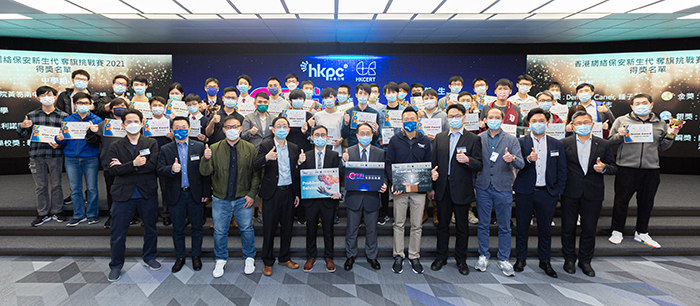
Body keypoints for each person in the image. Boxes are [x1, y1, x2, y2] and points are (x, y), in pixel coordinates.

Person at [608, 93, 680, 249]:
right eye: (637, 103)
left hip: (650, 169)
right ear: (632, 106)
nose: (641, 105)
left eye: (644, 102)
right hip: (626, 168)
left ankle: (641, 232)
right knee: (621, 201)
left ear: (651, 105)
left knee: (646, 202)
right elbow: (609, 141)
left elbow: (662, 146)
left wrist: (671, 136)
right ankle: (617, 231)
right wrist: (619, 135)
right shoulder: (621, 120)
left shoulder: (660, 123)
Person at [200, 115, 261, 277]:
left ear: (241, 128)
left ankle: (249, 256)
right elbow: (205, 173)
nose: (232, 130)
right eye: (228, 127)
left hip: (243, 198)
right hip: (221, 198)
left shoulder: (250, 148)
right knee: (220, 231)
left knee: (247, 229)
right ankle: (220, 259)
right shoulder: (213, 148)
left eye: (235, 127)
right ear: (224, 129)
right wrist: (206, 160)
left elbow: (256, 175)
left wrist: (251, 195)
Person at [106, 109, 160, 282]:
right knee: (118, 232)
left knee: (150, 228)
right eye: (128, 121)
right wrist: (134, 164)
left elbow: (152, 166)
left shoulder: (151, 143)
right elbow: (112, 170)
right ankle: (115, 265)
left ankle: (149, 257)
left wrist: (126, 167)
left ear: (142, 123)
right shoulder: (114, 145)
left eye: (135, 121)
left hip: (147, 192)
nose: (132, 124)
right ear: (123, 125)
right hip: (123, 193)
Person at [512, 108, 567, 278]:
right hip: (524, 191)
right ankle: (520, 259)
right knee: (522, 227)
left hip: (547, 193)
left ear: (547, 123)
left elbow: (562, 169)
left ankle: (545, 261)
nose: (538, 124)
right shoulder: (520, 142)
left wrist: (558, 191)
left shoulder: (556, 143)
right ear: (529, 124)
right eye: (534, 121)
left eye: (541, 120)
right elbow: (514, 165)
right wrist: (528, 160)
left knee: (545, 229)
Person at [562, 110, 618, 277]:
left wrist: (604, 168)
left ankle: (585, 261)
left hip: (593, 193)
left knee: (589, 229)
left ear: (593, 125)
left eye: (586, 122)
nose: (583, 126)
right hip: (570, 192)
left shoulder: (603, 144)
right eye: (578, 123)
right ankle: (569, 259)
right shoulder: (563, 143)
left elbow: (614, 167)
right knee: (568, 228)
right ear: (572, 126)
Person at [429, 104, 482, 275]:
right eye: (451, 116)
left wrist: (467, 160)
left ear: (464, 117)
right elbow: (433, 163)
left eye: (457, 115)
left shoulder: (474, 139)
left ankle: (461, 260)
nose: (454, 118)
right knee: (442, 226)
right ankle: (441, 257)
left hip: (462, 189)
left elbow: (479, 164)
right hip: (443, 189)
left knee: (462, 228)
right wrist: (433, 179)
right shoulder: (440, 137)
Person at [474, 107, 524, 277]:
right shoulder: (478, 139)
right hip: (483, 187)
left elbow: (522, 164)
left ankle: (504, 258)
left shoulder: (511, 139)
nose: (494, 119)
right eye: (490, 117)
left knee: (504, 226)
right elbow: (474, 164)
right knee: (483, 224)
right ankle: (483, 255)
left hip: (503, 187)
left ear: (502, 119)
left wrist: (513, 159)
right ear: (485, 120)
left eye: (497, 117)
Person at [157, 116, 210, 273]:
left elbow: (205, 173)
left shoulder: (199, 147)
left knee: (197, 228)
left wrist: (206, 193)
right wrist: (171, 170)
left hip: (196, 194)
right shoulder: (166, 149)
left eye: (183, 127)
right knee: (178, 229)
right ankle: (180, 257)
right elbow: (159, 170)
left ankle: (196, 256)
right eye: (177, 127)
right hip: (176, 195)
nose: (181, 130)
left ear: (189, 129)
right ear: (172, 130)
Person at [386, 106, 432, 274]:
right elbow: (389, 163)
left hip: (419, 191)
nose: (410, 122)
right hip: (400, 190)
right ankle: (398, 255)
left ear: (417, 121)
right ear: (402, 121)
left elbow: (428, 164)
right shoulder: (395, 140)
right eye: (406, 120)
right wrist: (394, 183)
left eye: (413, 119)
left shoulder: (424, 140)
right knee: (398, 224)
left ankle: (414, 255)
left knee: (416, 225)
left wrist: (429, 180)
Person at [254, 117, 302, 276]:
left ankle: (284, 257)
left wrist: (296, 193)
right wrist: (266, 158)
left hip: (288, 192)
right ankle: (267, 261)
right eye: (278, 126)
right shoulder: (266, 145)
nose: (282, 128)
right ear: (273, 129)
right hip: (271, 193)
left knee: (287, 228)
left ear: (288, 130)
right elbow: (255, 164)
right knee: (269, 229)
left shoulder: (294, 147)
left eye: (285, 126)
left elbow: (295, 173)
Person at [17, 86, 69, 226]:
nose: (47, 97)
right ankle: (43, 213)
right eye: (43, 95)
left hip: (55, 154)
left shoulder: (63, 116)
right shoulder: (32, 115)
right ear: (38, 98)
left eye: (49, 94)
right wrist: (23, 126)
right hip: (37, 154)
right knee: (41, 186)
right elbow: (21, 135)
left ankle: (57, 211)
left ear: (55, 96)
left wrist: (60, 143)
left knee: (57, 184)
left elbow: (67, 138)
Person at [85, 98, 138, 229]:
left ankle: (133, 215)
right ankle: (113, 215)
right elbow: (92, 141)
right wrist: (91, 131)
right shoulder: (104, 124)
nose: (120, 107)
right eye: (116, 106)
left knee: (131, 190)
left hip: (130, 163)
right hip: (110, 164)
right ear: (111, 108)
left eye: (122, 105)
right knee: (112, 191)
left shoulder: (133, 124)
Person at [342, 123, 387, 271]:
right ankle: (350, 255)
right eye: (362, 133)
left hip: (372, 198)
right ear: (357, 135)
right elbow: (342, 175)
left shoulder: (379, 153)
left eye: (368, 133)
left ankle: (372, 256)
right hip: (354, 197)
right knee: (351, 229)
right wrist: (344, 162)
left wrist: (385, 184)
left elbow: (384, 174)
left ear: (372, 135)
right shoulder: (348, 151)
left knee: (372, 230)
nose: (365, 136)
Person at [55, 92, 103, 226]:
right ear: (75, 105)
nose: (83, 105)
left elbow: (99, 140)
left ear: (90, 105)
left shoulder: (97, 120)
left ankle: (92, 214)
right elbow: (63, 140)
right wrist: (58, 139)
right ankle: (78, 215)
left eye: (86, 103)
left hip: (90, 158)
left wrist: (95, 132)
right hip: (71, 158)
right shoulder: (67, 120)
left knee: (92, 188)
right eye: (80, 103)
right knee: (75, 188)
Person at [300, 125, 342, 273]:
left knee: (328, 229)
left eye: (323, 135)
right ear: (311, 138)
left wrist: (337, 192)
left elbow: (338, 177)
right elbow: (300, 177)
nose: (320, 137)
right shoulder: (306, 155)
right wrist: (299, 163)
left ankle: (328, 257)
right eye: (316, 135)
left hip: (328, 200)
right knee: (310, 229)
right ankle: (310, 257)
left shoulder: (334, 155)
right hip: (310, 199)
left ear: (327, 137)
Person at [286, 89, 315, 225]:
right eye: (295, 99)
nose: (298, 101)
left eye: (300, 99)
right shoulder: (285, 115)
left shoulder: (310, 116)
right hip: (289, 151)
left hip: (305, 151)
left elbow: (313, 137)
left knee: (303, 180)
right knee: (291, 180)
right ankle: (291, 212)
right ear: (290, 101)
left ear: (304, 101)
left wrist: (306, 131)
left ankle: (302, 213)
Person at [149, 96, 174, 226]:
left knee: (166, 188)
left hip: (166, 158)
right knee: (150, 189)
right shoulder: (145, 123)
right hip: (149, 158)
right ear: (150, 108)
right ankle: (151, 215)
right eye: (154, 105)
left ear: (165, 108)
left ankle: (166, 214)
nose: (157, 108)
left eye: (160, 105)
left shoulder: (170, 122)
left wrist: (172, 137)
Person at [341, 83, 382, 147]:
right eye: (360, 93)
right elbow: (344, 135)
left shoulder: (374, 113)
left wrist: (376, 132)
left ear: (369, 96)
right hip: (353, 147)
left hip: (370, 147)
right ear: (356, 95)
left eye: (365, 94)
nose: (362, 96)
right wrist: (346, 124)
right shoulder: (349, 112)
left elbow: (376, 137)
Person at [314, 87, 344, 155]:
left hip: (336, 150)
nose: (328, 100)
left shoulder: (341, 115)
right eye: (326, 98)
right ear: (323, 99)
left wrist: (341, 140)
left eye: (330, 97)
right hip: (320, 150)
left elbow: (344, 132)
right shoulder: (318, 115)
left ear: (335, 98)